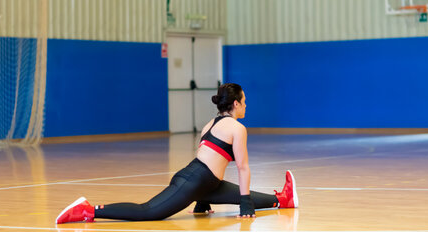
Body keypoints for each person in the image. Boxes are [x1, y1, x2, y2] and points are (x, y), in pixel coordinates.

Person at [55, 83, 298, 224]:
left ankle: (283, 199)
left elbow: (211, 161)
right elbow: (242, 167)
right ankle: (89, 210)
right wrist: (244, 205)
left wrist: (204, 199)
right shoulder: (237, 127)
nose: (246, 105)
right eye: (244, 101)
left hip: (205, 183)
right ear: (235, 104)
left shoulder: (209, 125)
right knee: (148, 211)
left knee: (247, 196)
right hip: (192, 181)